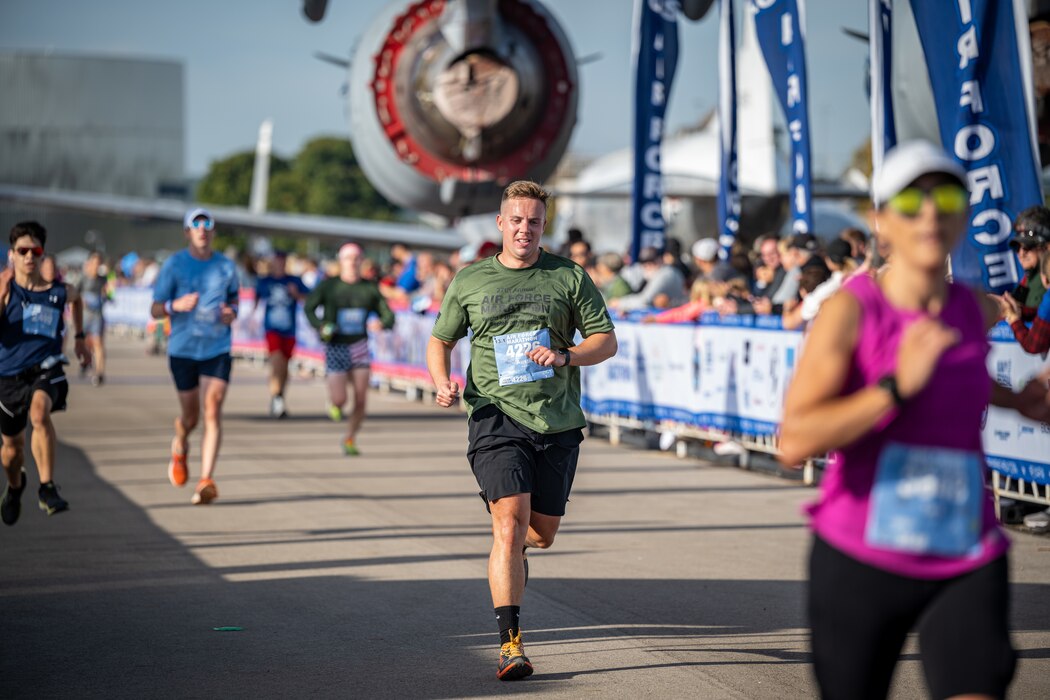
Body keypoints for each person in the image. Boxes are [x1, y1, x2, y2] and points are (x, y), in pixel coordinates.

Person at [778, 141, 1050, 700]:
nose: (931, 213)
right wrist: (895, 386)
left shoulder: (972, 308)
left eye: (947, 197)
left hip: (964, 547)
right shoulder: (851, 311)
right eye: (911, 201)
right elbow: (795, 439)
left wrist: (1018, 400)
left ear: (964, 214)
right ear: (882, 221)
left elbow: (965, 374)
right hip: (861, 554)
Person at [426, 180, 617, 681]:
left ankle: (515, 547)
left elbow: (606, 341)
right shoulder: (470, 280)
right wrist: (439, 380)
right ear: (500, 223)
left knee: (540, 532)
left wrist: (566, 356)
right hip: (494, 415)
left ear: (543, 225)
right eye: (516, 220)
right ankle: (511, 644)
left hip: (555, 421)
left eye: (533, 221)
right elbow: (439, 339)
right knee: (508, 523)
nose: (524, 229)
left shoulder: (568, 276)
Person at [0, 221, 90, 525]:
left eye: (34, 250)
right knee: (11, 452)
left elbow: (78, 299)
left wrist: (79, 339)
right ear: (12, 254)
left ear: (42, 254)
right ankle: (15, 486)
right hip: (9, 377)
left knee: (39, 414)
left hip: (47, 369)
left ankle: (47, 487)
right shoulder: (4, 288)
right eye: (22, 250)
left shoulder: (58, 292)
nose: (29, 256)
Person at [150, 208, 240, 506]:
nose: (202, 229)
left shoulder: (226, 267)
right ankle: (180, 445)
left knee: (212, 409)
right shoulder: (174, 265)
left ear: (214, 231)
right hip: (183, 349)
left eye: (208, 224)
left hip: (217, 347)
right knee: (190, 417)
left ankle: (206, 480)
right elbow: (155, 308)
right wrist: (176, 306)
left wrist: (231, 313)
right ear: (187, 232)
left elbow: (234, 301)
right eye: (196, 224)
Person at [304, 242, 395, 455]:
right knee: (340, 399)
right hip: (336, 346)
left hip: (360, 345)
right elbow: (309, 308)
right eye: (348, 258)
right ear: (341, 261)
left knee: (361, 398)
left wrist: (382, 323)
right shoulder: (329, 286)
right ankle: (334, 404)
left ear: (361, 261)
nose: (352, 262)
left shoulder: (369, 287)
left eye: (356, 258)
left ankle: (350, 438)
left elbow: (388, 314)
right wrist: (321, 326)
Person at [253, 251, 309, 418]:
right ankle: (277, 397)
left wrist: (296, 294)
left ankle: (278, 397)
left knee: (284, 367)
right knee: (276, 361)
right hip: (272, 328)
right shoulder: (265, 281)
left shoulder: (294, 280)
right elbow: (256, 299)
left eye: (282, 261)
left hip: (290, 329)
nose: (280, 264)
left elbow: (308, 297)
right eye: (277, 261)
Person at [1005, 206, 1050, 322]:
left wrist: (1015, 311)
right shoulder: (1028, 278)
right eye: (1017, 247)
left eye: (1028, 246)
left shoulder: (1045, 278)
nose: (1021, 253)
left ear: (1047, 246)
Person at [78, 252, 110, 386]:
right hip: (84, 316)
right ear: (89, 263)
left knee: (98, 343)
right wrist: (81, 302)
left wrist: (107, 295)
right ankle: (86, 361)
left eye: (99, 263)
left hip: (97, 315)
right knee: (85, 344)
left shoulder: (103, 279)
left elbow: (109, 295)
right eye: (94, 262)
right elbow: (75, 295)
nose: (96, 266)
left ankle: (99, 373)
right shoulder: (83, 278)